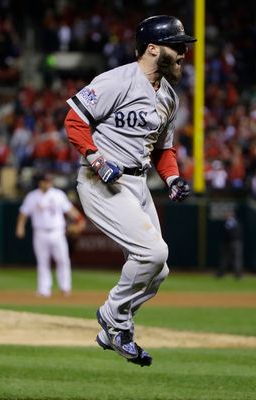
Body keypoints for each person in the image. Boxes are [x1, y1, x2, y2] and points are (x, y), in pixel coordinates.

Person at [63, 15, 196, 367]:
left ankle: (114, 330)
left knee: (160, 269)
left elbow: (162, 150)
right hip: (101, 181)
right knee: (152, 254)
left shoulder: (169, 97)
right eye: (177, 46)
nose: (184, 53)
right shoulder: (116, 80)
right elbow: (74, 121)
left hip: (138, 183)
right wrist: (95, 157)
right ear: (153, 49)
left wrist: (172, 179)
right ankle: (113, 317)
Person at [16, 173, 85, 297]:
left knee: (63, 260)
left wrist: (79, 219)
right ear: (40, 182)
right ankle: (44, 290)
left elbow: (69, 210)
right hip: (40, 232)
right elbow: (23, 213)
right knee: (43, 261)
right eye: (45, 181)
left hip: (57, 232)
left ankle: (65, 288)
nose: (48, 183)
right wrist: (20, 227)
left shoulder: (58, 195)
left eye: (49, 181)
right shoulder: (32, 196)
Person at [217, 210, 243, 279]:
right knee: (229, 259)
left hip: (232, 242)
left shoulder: (230, 222)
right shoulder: (234, 222)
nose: (226, 216)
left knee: (233, 258)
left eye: (227, 214)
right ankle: (223, 273)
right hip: (234, 242)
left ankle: (237, 274)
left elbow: (230, 233)